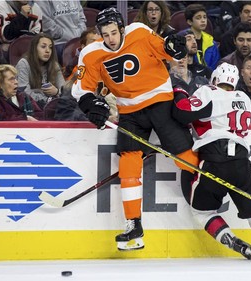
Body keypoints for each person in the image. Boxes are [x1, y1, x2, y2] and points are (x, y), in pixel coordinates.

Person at [71, 7, 198, 251]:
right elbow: (81, 88)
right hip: (129, 112)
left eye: (113, 33)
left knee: (185, 157)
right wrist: (91, 105)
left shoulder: (139, 31)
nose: (110, 39)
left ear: (121, 28)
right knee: (128, 164)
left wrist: (175, 47)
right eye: (105, 34)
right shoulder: (90, 54)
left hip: (161, 102)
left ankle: (209, 195)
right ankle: (134, 225)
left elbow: (167, 50)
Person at [171, 62, 251, 263]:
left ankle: (230, 239)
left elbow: (182, 112)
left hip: (214, 158)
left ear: (214, 79)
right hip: (241, 162)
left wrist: (179, 91)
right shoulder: (244, 98)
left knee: (202, 212)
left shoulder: (208, 91)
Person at [16, 33, 65, 110]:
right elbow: (24, 92)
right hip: (31, 107)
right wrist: (47, 100)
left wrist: (56, 92)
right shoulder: (24, 63)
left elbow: (64, 90)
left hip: (52, 107)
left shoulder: (54, 65)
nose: (47, 51)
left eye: (50, 47)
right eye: (43, 47)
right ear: (34, 48)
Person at [39, 0, 87, 65]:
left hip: (78, 39)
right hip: (59, 42)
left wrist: (80, 34)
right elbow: (46, 23)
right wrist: (64, 35)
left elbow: (82, 18)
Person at [181, 3, 220, 70]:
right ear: (189, 22)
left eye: (204, 17)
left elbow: (215, 65)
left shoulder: (211, 42)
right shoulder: (182, 39)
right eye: (198, 18)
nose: (203, 20)